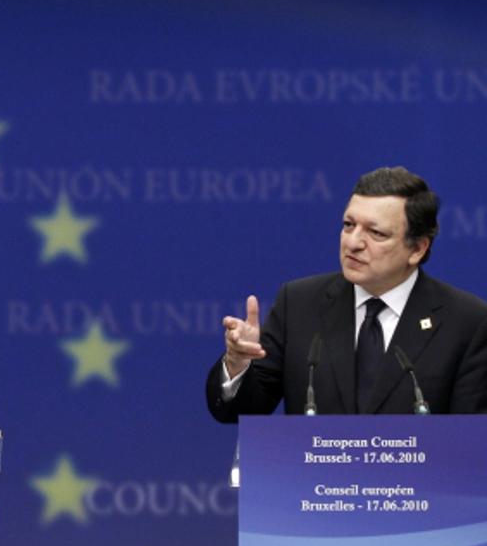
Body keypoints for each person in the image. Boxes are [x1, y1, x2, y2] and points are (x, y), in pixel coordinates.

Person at [207, 166, 487, 420]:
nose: (353, 243)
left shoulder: (466, 321)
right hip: (314, 476)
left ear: (417, 249)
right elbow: (239, 411)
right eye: (348, 225)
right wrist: (238, 363)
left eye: (376, 233)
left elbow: (471, 444)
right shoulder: (300, 303)